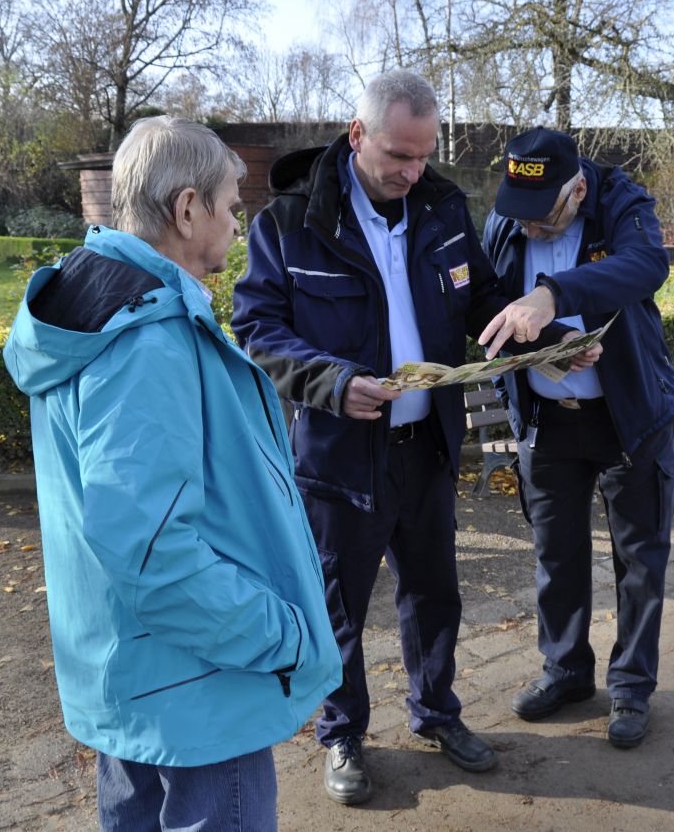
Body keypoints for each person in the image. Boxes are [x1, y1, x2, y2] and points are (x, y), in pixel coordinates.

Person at [231, 70, 574, 805]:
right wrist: (328, 382)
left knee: (433, 595)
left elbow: (483, 300)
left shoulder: (444, 208)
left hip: (428, 448)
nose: (411, 172)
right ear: (357, 136)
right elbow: (256, 329)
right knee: (340, 608)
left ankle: (436, 713)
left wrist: (548, 333)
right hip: (338, 456)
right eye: (397, 156)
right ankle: (343, 732)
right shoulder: (289, 222)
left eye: (422, 156)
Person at [3, 116, 342, 830]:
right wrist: (276, 636)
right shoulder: (146, 343)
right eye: (228, 204)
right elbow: (156, 557)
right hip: (203, 684)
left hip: (139, 673)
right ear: (187, 210)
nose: (236, 222)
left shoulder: (97, 307)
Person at [477, 126, 674, 750]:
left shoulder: (623, 201)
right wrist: (541, 346)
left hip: (628, 418)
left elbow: (647, 266)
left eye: (543, 218)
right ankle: (565, 671)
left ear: (577, 189)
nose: (529, 229)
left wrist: (553, 293)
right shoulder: (510, 217)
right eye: (519, 216)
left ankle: (630, 687)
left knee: (639, 561)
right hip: (545, 422)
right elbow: (487, 297)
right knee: (556, 556)